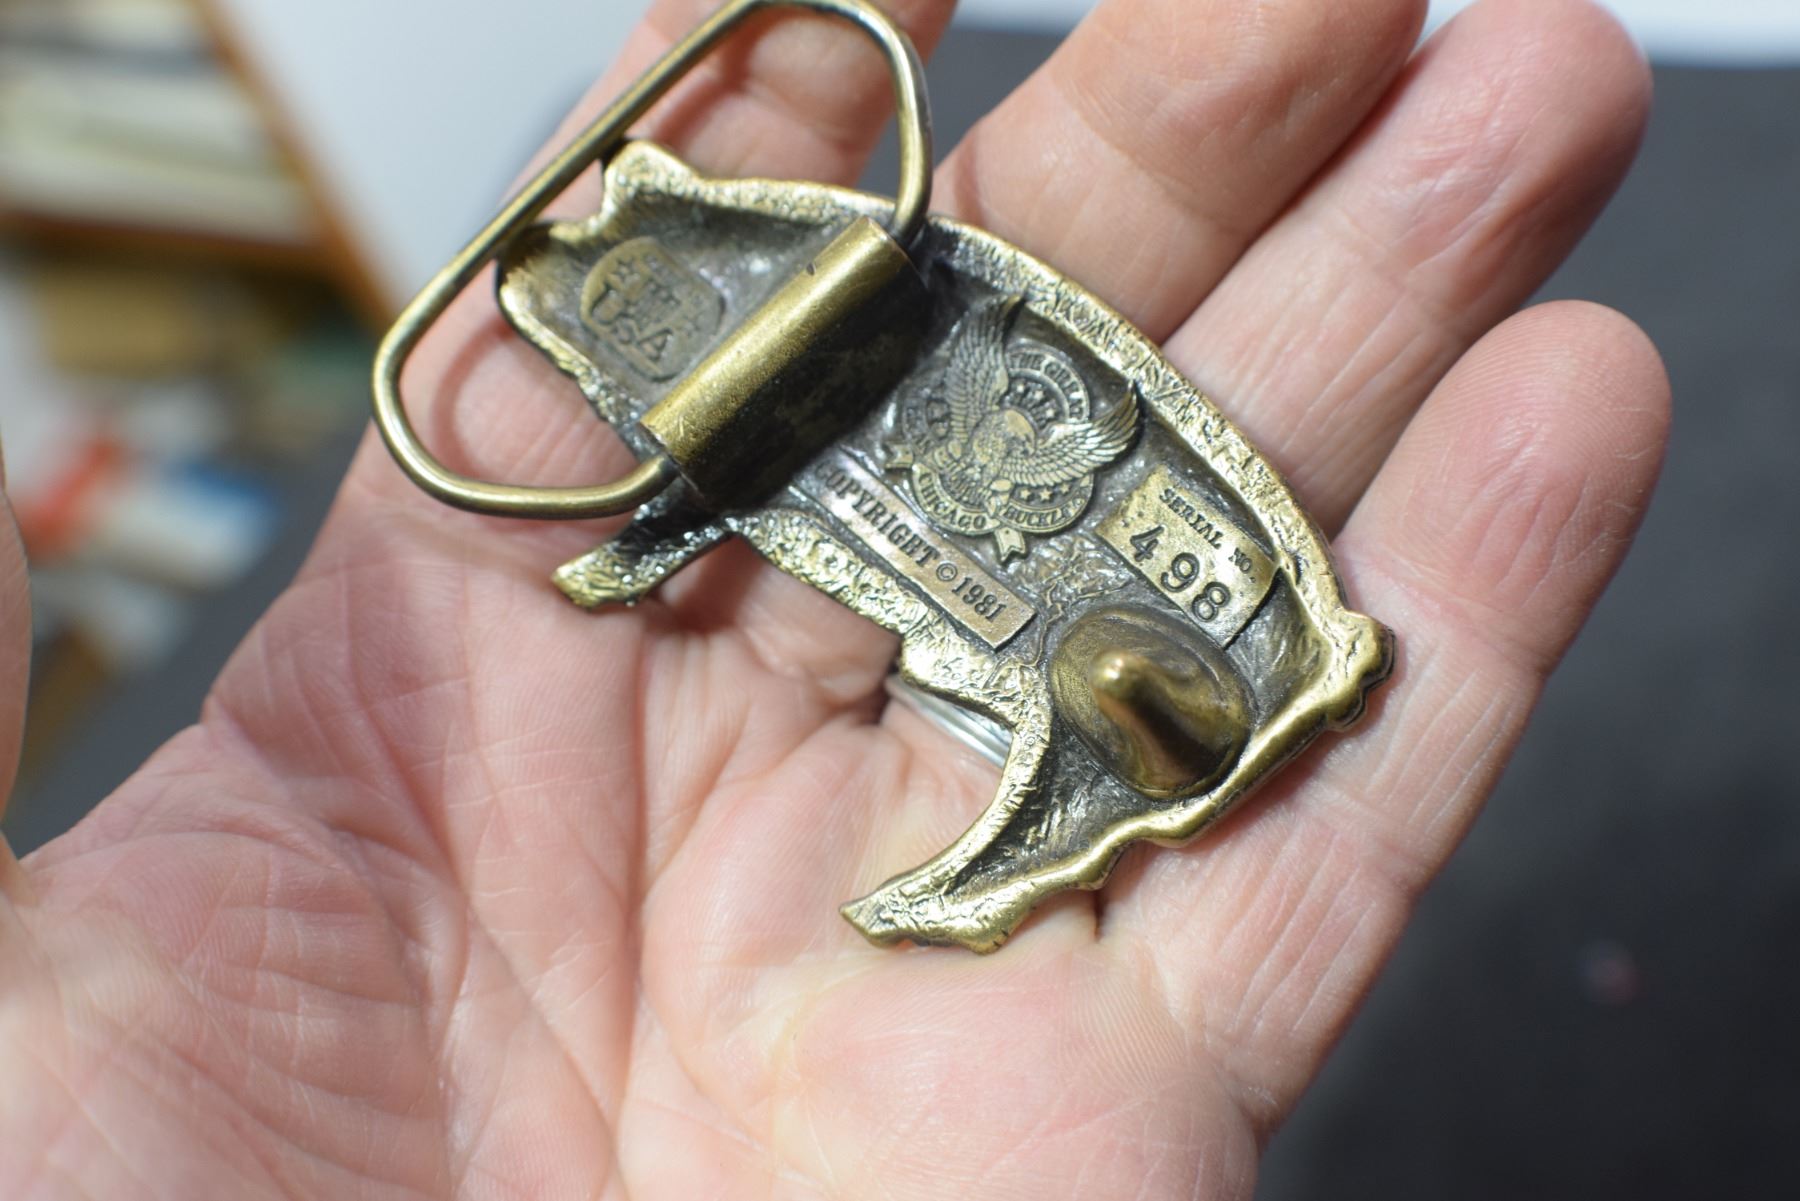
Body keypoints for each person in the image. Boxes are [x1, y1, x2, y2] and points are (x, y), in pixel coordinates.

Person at [0, 0, 1668, 1195]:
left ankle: (1096, 784)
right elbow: (739, 465)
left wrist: (663, 523)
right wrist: (654, 530)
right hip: (955, 519)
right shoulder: (720, 340)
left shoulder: (780, 291)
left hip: (1105, 582)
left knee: (1122, 692)